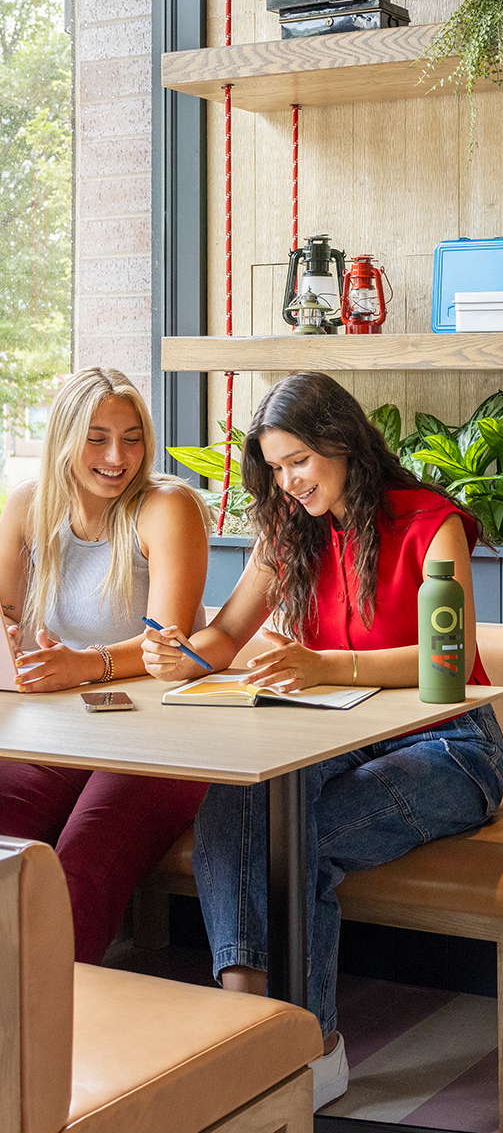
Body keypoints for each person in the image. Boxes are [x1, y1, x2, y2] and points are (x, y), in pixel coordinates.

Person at [142, 371, 503, 1112]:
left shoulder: (428, 522)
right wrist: (184, 654)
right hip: (333, 734)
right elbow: (227, 633)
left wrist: (322, 665)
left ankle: (310, 1049)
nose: (288, 482)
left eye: (299, 461)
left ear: (342, 443)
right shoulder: (288, 533)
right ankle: (252, 1031)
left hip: (452, 745)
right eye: (275, 468)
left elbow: (446, 660)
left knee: (297, 836)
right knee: (235, 806)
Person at [0, 366, 211, 963]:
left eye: (132, 436)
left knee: (82, 862)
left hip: (161, 744)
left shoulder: (166, 507)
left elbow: (168, 646)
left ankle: (45, 1035)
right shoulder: (28, 506)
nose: (117, 456)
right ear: (64, 439)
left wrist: (80, 666)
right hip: (56, 736)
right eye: (96, 437)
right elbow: (4, 614)